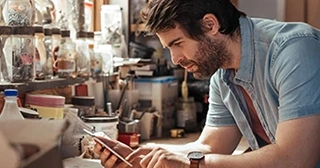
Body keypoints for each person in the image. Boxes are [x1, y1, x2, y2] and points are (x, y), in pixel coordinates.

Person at [94, 0, 320, 167]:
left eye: (178, 43)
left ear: (210, 24)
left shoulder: (293, 50)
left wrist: (196, 164)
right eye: (169, 49)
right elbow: (210, 147)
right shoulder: (223, 76)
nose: (175, 59)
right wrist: (144, 157)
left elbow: (296, 159)